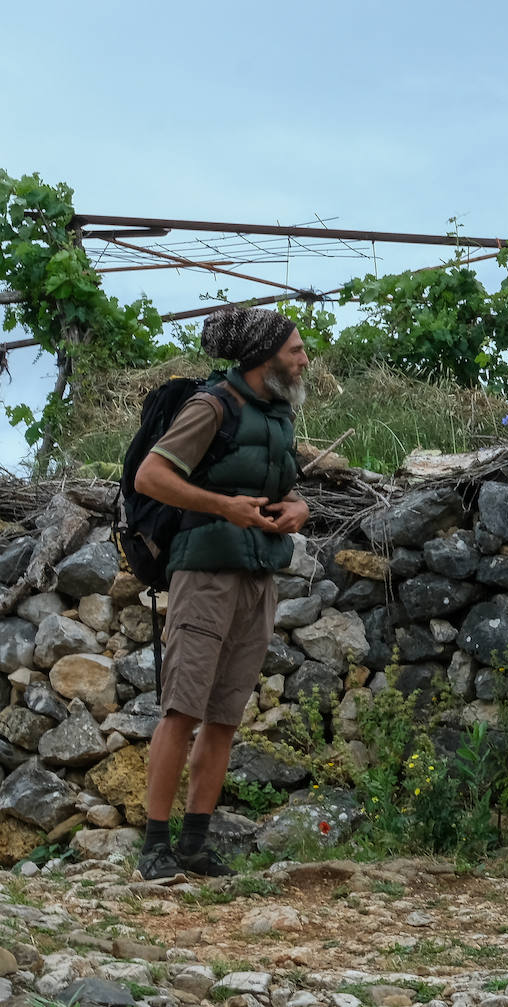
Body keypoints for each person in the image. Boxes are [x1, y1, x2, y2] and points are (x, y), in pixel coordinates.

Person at [133, 307, 310, 880]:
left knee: (225, 715)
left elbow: (287, 488)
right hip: (204, 573)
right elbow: (151, 477)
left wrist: (299, 509)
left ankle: (194, 845)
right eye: (295, 351)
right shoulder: (211, 406)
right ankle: (154, 847)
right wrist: (223, 507)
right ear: (264, 358)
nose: (305, 360)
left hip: (258, 575)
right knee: (182, 709)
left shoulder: (279, 415)